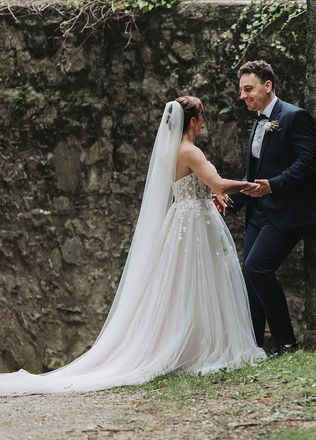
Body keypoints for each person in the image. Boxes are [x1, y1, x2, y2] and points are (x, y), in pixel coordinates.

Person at [0, 96, 266, 396]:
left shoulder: (171, 151)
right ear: (193, 120)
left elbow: (195, 185)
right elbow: (217, 183)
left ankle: (189, 343)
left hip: (182, 218)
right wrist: (249, 185)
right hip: (196, 223)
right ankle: (199, 346)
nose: (203, 123)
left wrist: (211, 192)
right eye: (201, 118)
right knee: (203, 282)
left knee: (183, 285)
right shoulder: (190, 150)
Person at [215, 60, 316, 356]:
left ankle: (286, 342)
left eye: (248, 89)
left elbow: (307, 163)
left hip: (286, 212)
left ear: (268, 86)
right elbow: (252, 179)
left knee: (257, 269)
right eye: (241, 90)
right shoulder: (257, 125)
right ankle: (254, 346)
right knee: (249, 276)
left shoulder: (294, 117)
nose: (243, 96)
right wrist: (231, 200)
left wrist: (273, 184)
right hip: (257, 215)